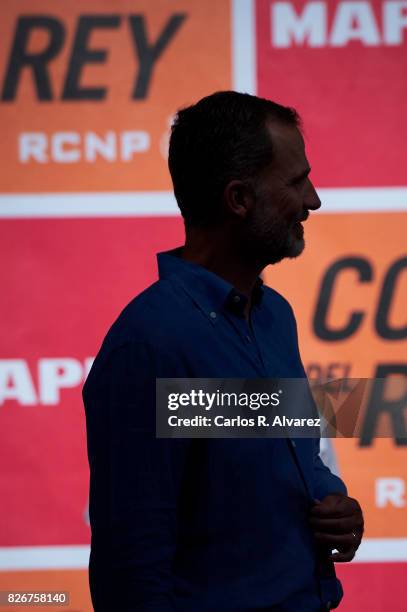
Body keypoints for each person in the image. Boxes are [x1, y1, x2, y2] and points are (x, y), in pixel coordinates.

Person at [83, 91, 364, 611]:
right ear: (239, 199)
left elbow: (291, 453)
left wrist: (334, 502)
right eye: (296, 182)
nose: (313, 200)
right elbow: (131, 577)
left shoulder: (273, 316)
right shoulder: (150, 345)